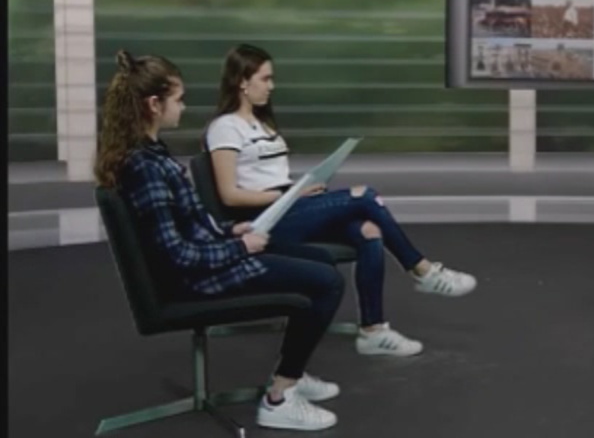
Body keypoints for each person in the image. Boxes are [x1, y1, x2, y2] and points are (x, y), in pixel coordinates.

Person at [94, 50, 342, 431]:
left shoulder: (151, 155)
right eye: (178, 99)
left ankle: (290, 371)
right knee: (327, 282)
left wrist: (230, 231)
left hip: (208, 259)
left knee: (320, 261)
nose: (184, 106)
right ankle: (279, 397)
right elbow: (176, 254)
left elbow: (188, 226)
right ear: (154, 104)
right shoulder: (145, 167)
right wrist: (239, 248)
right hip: (198, 279)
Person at [204, 43, 477, 358]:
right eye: (265, 79)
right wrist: (289, 194)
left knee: (369, 232)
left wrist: (301, 188)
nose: (272, 86)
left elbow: (268, 177)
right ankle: (422, 269)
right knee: (366, 196)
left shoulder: (262, 124)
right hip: (266, 221)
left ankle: (373, 332)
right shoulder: (225, 128)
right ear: (242, 81)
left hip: (291, 206)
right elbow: (229, 194)